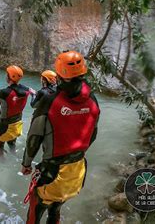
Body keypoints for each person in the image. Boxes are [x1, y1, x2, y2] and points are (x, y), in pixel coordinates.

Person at [21, 51, 100, 224]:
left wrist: (26, 163)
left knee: (36, 206)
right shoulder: (93, 99)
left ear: (59, 74)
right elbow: (92, 134)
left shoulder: (50, 100)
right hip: (78, 172)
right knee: (56, 208)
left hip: (53, 172)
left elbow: (34, 137)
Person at [0, 65, 33, 150]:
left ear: (9, 77)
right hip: (17, 124)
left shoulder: (4, 92)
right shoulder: (26, 89)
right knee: (12, 144)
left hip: (4, 125)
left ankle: (3, 162)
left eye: (6, 74)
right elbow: (34, 93)